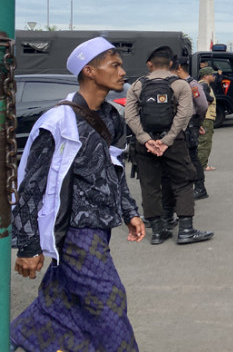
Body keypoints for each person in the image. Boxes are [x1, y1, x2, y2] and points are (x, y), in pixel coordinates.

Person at [11, 37, 144, 352]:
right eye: (114, 65)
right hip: (72, 232)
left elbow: (113, 171)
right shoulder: (58, 122)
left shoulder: (111, 117)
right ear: (90, 71)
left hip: (99, 229)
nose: (122, 71)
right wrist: (28, 246)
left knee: (60, 300)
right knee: (110, 302)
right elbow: (31, 185)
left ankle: (23, 336)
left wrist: (130, 212)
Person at [125, 46, 214, 245]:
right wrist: (167, 140)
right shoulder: (180, 85)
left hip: (145, 145)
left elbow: (130, 115)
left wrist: (145, 139)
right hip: (174, 143)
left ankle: (158, 232)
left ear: (149, 64)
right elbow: (184, 114)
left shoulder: (137, 85)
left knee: (149, 184)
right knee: (183, 181)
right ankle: (186, 230)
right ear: (172, 64)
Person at [174, 58, 209, 199]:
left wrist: (198, 122)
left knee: (192, 157)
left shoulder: (192, 84)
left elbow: (202, 106)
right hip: (182, 124)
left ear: (179, 68)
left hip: (191, 123)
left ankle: (200, 188)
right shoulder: (179, 83)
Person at [197, 66, 218, 174]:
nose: (214, 76)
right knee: (205, 142)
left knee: (203, 141)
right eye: (212, 74)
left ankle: (201, 163)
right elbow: (204, 97)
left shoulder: (200, 85)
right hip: (207, 117)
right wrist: (210, 99)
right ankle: (202, 165)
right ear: (206, 76)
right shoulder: (204, 85)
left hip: (206, 117)